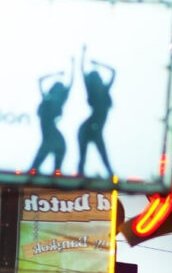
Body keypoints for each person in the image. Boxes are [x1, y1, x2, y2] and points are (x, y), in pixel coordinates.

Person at [77, 46, 116, 179]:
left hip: (94, 128)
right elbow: (82, 70)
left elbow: (113, 72)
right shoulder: (93, 92)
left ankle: (111, 176)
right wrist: (83, 53)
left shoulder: (104, 90)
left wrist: (98, 64)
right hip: (89, 128)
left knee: (103, 156)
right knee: (84, 159)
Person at [29, 61, 72, 175]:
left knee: (55, 171)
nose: (57, 93)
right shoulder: (47, 100)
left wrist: (72, 64)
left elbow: (70, 84)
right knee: (34, 169)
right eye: (56, 89)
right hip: (49, 138)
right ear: (53, 90)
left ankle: (55, 178)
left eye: (60, 90)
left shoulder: (59, 103)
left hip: (55, 139)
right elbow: (40, 80)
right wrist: (56, 74)